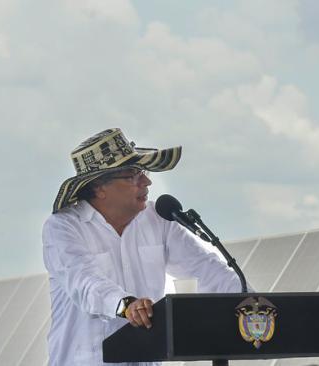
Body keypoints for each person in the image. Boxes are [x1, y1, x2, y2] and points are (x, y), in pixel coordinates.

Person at [43, 128, 246, 365]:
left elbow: (206, 268)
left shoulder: (158, 219)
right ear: (99, 187)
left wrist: (253, 303)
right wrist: (126, 304)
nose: (147, 181)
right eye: (133, 174)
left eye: (144, 172)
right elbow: (84, 282)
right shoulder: (63, 228)